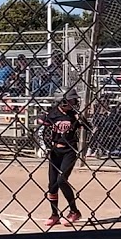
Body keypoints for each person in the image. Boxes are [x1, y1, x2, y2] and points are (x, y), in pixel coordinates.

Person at [38, 89, 89, 227]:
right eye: (71, 100)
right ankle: (54, 214)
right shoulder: (52, 113)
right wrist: (44, 146)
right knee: (52, 185)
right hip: (55, 151)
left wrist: (81, 120)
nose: (74, 103)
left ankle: (74, 211)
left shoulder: (74, 115)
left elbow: (89, 128)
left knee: (61, 180)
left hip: (69, 151)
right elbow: (41, 130)